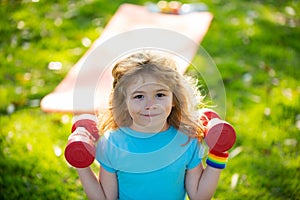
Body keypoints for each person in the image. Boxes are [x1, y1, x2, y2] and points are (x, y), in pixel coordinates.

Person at [76, 51, 229, 200]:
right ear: (123, 102)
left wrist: (218, 152)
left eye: (160, 95)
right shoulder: (112, 143)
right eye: (139, 96)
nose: (150, 105)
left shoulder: (186, 140)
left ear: (174, 99)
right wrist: (81, 164)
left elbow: (199, 196)